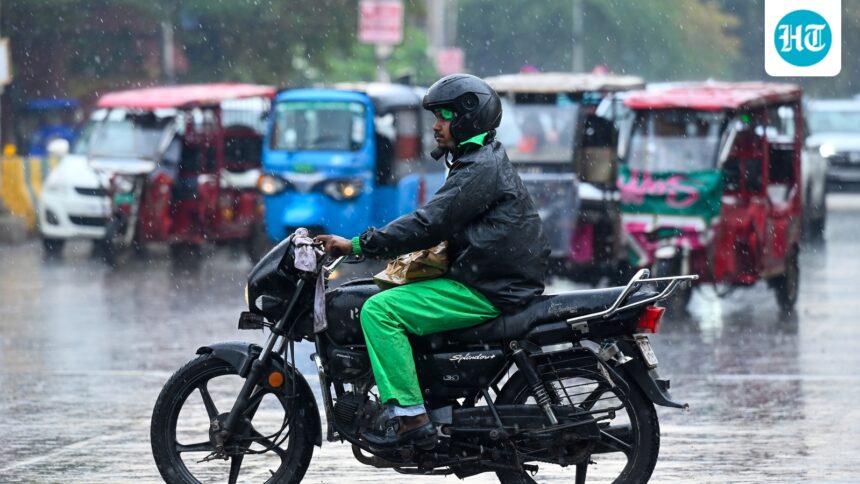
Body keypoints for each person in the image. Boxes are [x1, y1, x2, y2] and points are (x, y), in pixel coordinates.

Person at [315, 74, 550, 448]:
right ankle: (428, 395)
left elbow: (430, 222)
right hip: (492, 277)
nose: (436, 127)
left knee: (379, 311)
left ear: (467, 119)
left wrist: (358, 245)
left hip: (486, 287)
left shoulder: (478, 169)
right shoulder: (479, 160)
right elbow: (436, 221)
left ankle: (411, 418)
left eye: (443, 117)